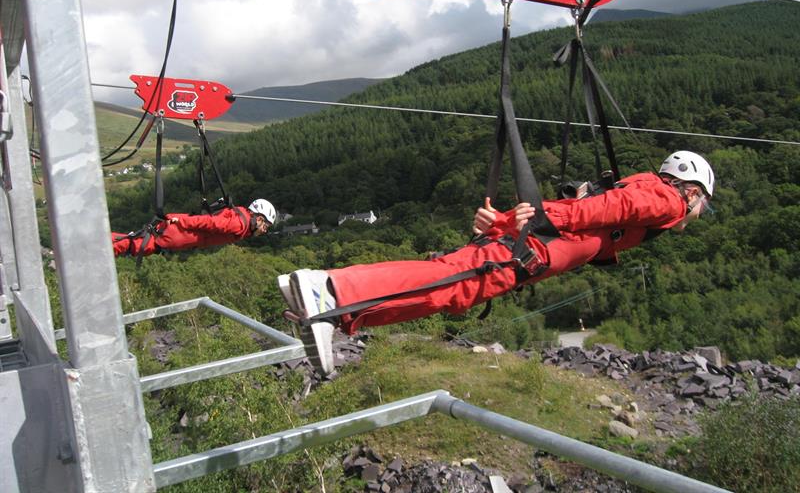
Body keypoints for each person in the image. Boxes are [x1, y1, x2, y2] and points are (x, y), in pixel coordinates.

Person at [279, 151, 715, 375]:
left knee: (451, 291)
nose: (698, 216)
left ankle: (334, 314)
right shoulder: (666, 199)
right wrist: (510, 220)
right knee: (449, 281)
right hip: (530, 253)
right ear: (693, 191)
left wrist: (502, 223)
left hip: (529, 251)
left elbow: (582, 215)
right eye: (704, 206)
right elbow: (587, 214)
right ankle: (330, 291)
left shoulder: (652, 197)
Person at [112, 198, 276, 257]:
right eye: (266, 226)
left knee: (137, 241)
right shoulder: (240, 224)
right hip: (180, 233)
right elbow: (209, 222)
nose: (265, 231)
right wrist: (181, 221)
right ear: (260, 218)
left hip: (181, 233)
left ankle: (106, 243)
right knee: (138, 245)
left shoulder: (241, 216)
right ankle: (103, 248)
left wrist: (180, 220)